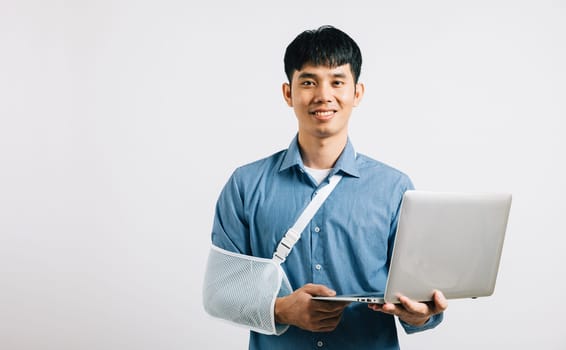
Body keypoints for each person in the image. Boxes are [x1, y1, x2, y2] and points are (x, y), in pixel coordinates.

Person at [206, 25, 447, 349]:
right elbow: (221, 291)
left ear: (357, 93)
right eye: (308, 82)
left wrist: (419, 314)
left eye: (337, 82)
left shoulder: (395, 188)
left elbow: (419, 298)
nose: (323, 95)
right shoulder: (246, 185)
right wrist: (280, 309)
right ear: (288, 93)